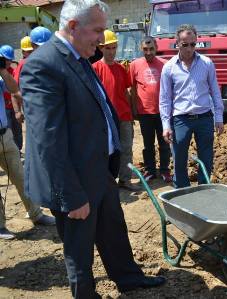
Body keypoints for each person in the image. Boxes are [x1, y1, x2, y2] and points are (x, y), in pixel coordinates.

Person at [20, 1, 165, 297]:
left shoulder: (79, 57)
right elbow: (48, 140)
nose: (102, 38)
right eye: (97, 30)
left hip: (99, 169)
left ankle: (127, 277)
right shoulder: (43, 65)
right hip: (74, 179)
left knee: (113, 229)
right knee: (79, 248)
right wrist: (71, 195)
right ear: (73, 26)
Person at [159, 24, 224, 188]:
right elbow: (165, 99)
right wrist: (166, 125)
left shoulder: (207, 64)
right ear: (177, 43)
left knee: (206, 157)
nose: (189, 48)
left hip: (204, 118)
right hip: (181, 119)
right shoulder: (169, 68)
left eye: (193, 44)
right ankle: (182, 189)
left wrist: (219, 117)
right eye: (185, 44)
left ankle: (204, 188)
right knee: (179, 157)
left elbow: (215, 91)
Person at [0, 56, 55, 240]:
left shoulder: (1, 76)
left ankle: (36, 214)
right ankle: (0, 226)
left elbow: (14, 90)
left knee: (21, 176)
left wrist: (2, 70)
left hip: (4, 135)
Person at [93, 30, 138, 191]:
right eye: (108, 48)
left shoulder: (120, 69)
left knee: (126, 149)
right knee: (107, 151)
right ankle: (107, 181)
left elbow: (126, 92)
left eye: (113, 48)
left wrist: (131, 113)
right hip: (106, 118)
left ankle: (125, 180)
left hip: (124, 116)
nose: (111, 52)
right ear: (100, 48)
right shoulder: (95, 69)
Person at [129, 36, 172, 183]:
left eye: (151, 49)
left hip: (163, 112)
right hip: (144, 112)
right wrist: (134, 108)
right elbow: (133, 88)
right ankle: (150, 170)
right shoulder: (134, 65)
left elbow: (171, 89)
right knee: (148, 145)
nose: (148, 52)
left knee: (164, 143)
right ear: (141, 49)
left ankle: (165, 170)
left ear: (157, 48)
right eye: (145, 49)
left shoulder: (165, 64)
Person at [0, 45, 24, 152]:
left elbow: (14, 89)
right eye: (6, 59)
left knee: (17, 131)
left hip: (13, 105)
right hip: (4, 109)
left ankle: (17, 151)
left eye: (10, 60)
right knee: (9, 131)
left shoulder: (12, 70)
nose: (9, 62)